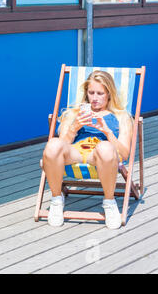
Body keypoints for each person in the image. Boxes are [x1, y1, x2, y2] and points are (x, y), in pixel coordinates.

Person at [42, 70, 133, 229]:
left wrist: (108, 132)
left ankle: (109, 203)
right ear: (86, 93)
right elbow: (59, 148)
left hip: (100, 155)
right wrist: (74, 127)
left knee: (105, 147)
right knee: (53, 144)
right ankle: (57, 200)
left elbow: (124, 154)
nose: (95, 98)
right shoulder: (73, 114)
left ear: (109, 94)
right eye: (91, 93)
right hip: (75, 152)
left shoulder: (121, 117)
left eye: (100, 93)